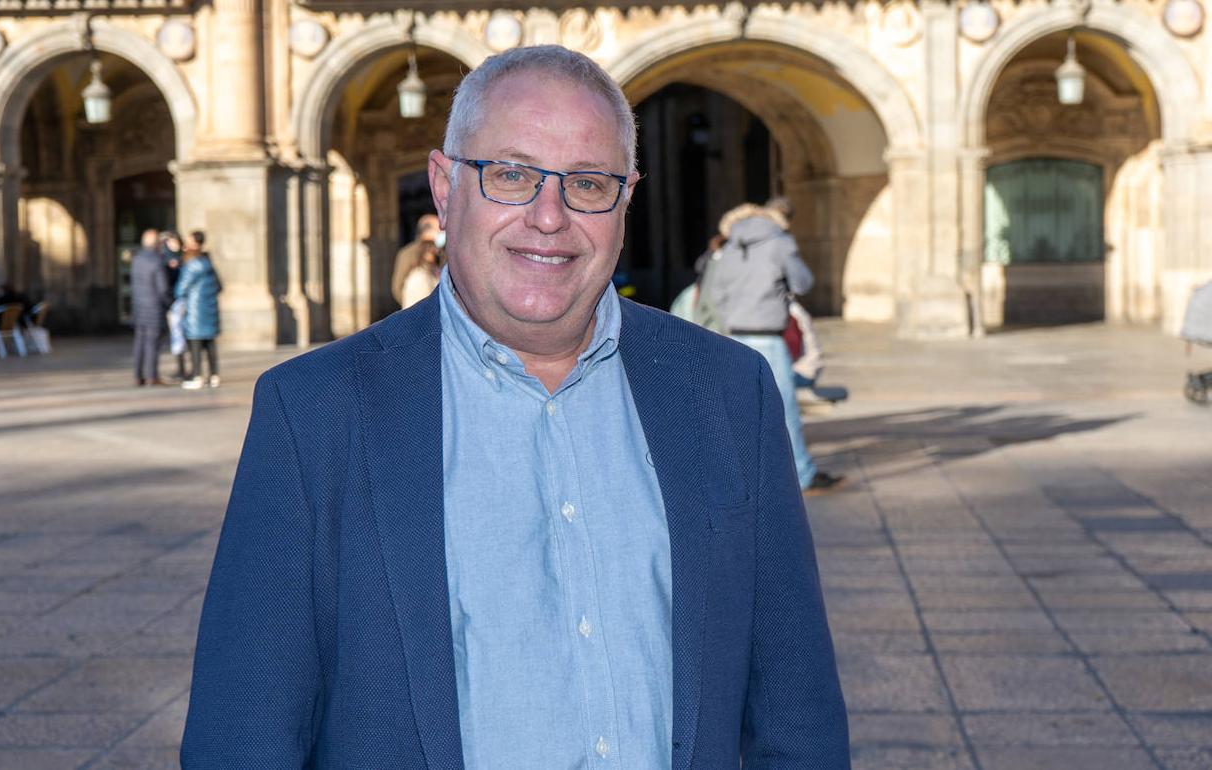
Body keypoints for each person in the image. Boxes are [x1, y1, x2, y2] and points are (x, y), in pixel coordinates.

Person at [182, 45, 848, 769]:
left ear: (626, 198)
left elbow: (797, 710)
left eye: (589, 183)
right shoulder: (314, 412)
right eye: (511, 175)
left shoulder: (728, 391)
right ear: (445, 186)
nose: (549, 216)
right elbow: (242, 730)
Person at [701, 201, 843, 494]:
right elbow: (803, 283)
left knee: (739, 410)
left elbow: (716, 294)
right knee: (783, 411)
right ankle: (802, 475)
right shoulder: (779, 242)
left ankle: (736, 475)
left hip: (734, 336)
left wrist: (732, 317)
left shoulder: (730, 246)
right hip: (768, 336)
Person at [175, 230, 221, 389]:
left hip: (195, 309)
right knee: (209, 342)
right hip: (209, 307)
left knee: (195, 342)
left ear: (194, 243)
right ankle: (214, 375)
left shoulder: (192, 264)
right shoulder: (208, 262)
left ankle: (197, 375)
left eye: (188, 241)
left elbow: (181, 289)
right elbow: (219, 286)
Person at [129, 229, 169, 386]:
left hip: (139, 308)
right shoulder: (157, 261)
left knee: (139, 342)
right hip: (154, 308)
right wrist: (169, 302)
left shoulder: (136, 259)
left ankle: (137, 376)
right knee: (152, 343)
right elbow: (163, 288)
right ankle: (152, 376)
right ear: (157, 243)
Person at [390, 212, 444, 307]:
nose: (441, 232)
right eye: (438, 229)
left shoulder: (441, 250)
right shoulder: (408, 253)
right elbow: (397, 287)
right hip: (416, 308)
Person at [160, 231, 190, 381]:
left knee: (184, 334)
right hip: (174, 301)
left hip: (184, 300)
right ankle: (181, 367)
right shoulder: (165, 258)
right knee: (177, 334)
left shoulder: (185, 258)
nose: (173, 245)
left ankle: (188, 368)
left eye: (175, 241)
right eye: (170, 242)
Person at [399, 240, 442, 308]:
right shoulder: (420, 276)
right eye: (432, 251)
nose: (436, 253)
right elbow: (426, 304)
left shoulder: (428, 273)